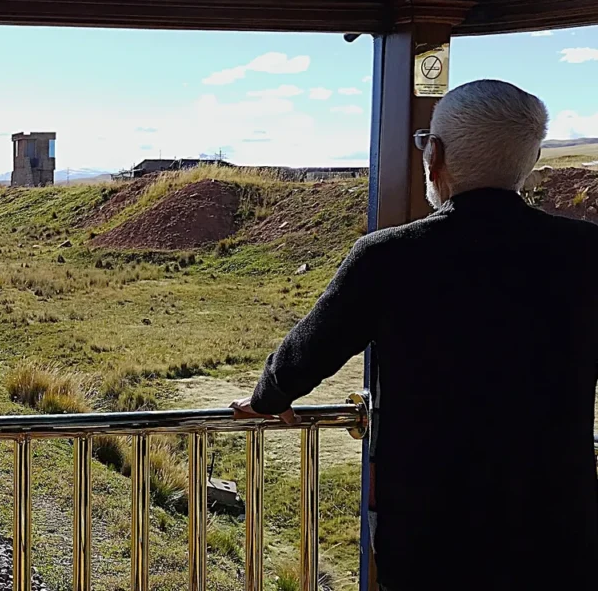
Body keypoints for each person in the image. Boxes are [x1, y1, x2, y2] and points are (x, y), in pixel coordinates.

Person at [230, 80, 598, 590]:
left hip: (431, 532)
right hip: (560, 528)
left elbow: (310, 351)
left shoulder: (389, 256)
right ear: (532, 158)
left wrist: (268, 398)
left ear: (435, 156)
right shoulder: (586, 252)